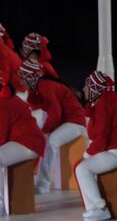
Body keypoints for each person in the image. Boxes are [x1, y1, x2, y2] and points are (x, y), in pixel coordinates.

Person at [0, 68, 45, 218]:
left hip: (28, 143)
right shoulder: (2, 100)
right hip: (24, 140)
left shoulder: (0, 105)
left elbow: (0, 138)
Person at [77, 72, 117, 221]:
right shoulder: (100, 103)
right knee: (83, 167)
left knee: (82, 169)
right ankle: (93, 208)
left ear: (94, 88)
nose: (84, 89)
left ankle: (101, 208)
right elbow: (95, 134)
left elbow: (101, 137)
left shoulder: (104, 104)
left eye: (86, 86)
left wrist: (87, 154)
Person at [17, 59, 87, 194]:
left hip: (75, 122)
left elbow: (55, 114)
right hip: (64, 122)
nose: (21, 81)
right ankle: (37, 179)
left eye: (23, 77)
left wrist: (43, 131)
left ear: (31, 77)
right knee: (44, 138)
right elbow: (35, 109)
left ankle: (43, 184)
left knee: (50, 142)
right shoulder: (37, 88)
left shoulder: (46, 87)